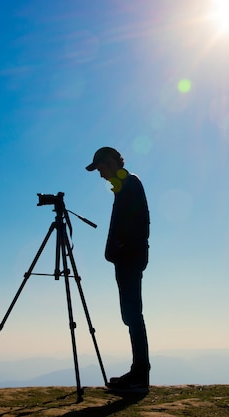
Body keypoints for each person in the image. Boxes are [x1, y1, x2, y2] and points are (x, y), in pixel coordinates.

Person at [86, 146, 150, 393]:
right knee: (130, 315)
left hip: (129, 259)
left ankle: (140, 377)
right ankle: (137, 372)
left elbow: (139, 222)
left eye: (100, 168)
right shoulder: (125, 185)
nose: (100, 175)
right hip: (127, 258)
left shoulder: (130, 184)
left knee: (133, 315)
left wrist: (123, 246)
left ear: (111, 162)